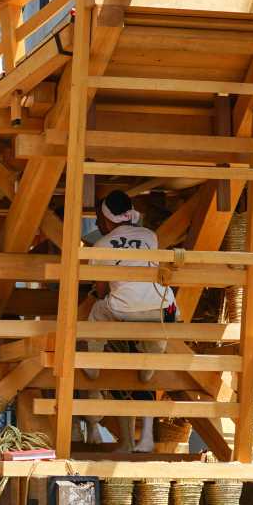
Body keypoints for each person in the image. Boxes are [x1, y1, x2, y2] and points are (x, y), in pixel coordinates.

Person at [80, 190, 172, 453]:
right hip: (161, 306)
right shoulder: (150, 236)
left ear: (105, 220)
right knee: (154, 322)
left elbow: (101, 290)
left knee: (97, 312)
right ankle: (152, 358)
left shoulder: (101, 244)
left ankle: (93, 365)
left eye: (99, 219)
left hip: (125, 309)